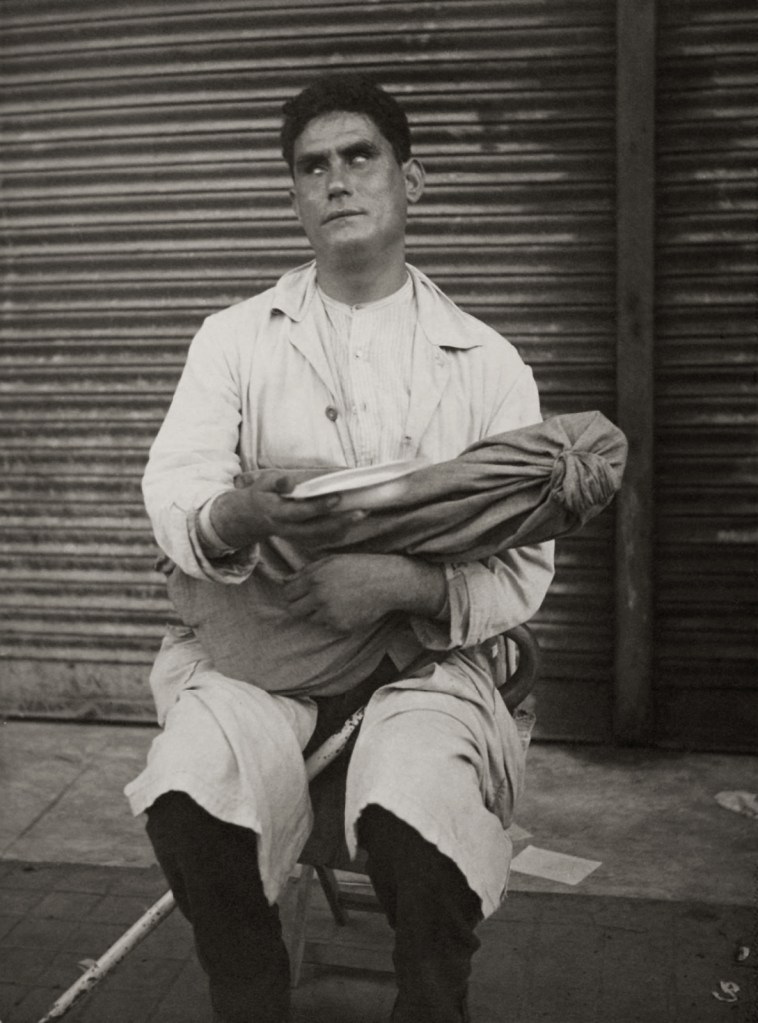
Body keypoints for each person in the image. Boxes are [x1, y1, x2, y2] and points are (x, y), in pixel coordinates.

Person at [125, 72, 554, 1023]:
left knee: (420, 824)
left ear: (413, 181)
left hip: (422, 666)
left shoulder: (486, 362)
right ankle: (250, 993)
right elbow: (175, 488)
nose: (337, 180)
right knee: (189, 797)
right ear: (294, 196)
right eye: (312, 166)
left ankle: (431, 1004)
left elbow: (526, 559)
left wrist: (399, 582)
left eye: (361, 157)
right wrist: (241, 515)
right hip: (263, 660)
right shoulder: (234, 341)